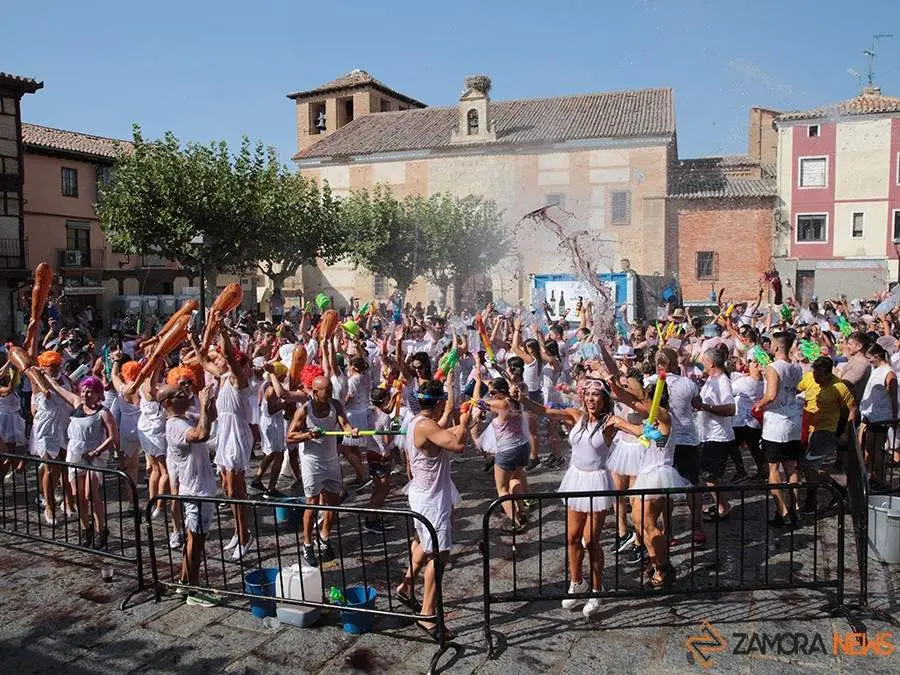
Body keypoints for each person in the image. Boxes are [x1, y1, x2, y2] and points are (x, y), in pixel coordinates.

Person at [522, 377, 616, 617]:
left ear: (604, 398)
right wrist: (521, 399)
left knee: (591, 540)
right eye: (588, 395)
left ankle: (597, 590)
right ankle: (577, 582)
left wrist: (650, 432)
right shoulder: (575, 415)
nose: (591, 399)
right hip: (576, 479)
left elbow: (635, 428)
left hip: (597, 482)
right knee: (573, 538)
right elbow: (544, 410)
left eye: (597, 395)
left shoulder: (610, 423)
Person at [394, 379, 469, 640]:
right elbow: (458, 445)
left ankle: (405, 587)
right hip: (430, 499)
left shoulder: (417, 421)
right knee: (439, 555)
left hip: (423, 493)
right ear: (437, 403)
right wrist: (466, 420)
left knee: (420, 543)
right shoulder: (425, 425)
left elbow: (447, 434)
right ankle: (427, 616)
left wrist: (468, 420)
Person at [286, 370, 358, 567]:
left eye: (330, 390)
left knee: (332, 504)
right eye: (326, 391)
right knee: (312, 504)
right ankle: (307, 544)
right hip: (311, 463)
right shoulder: (304, 410)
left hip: (331, 460)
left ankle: (325, 538)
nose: (330, 394)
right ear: (315, 392)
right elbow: (290, 436)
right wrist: (308, 435)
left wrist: (351, 431)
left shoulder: (335, 404)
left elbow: (344, 423)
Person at [162, 380, 220, 607]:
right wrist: (203, 404)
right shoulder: (175, 425)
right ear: (168, 402)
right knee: (196, 540)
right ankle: (194, 590)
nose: (186, 396)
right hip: (195, 490)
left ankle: (185, 581)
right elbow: (201, 434)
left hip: (201, 487)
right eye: (180, 394)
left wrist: (209, 401)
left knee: (195, 538)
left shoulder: (186, 417)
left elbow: (211, 418)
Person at [46, 375, 119, 549]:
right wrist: (44, 375)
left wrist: (96, 452)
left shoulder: (103, 412)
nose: (86, 394)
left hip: (94, 455)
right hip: (75, 454)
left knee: (91, 494)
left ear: (98, 394)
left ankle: (101, 530)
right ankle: (86, 529)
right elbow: (57, 387)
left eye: (90, 392)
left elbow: (113, 436)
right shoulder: (77, 404)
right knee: (78, 497)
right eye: (84, 391)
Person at [753, 332, 804, 529]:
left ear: (776, 346)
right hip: (793, 421)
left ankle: (782, 510)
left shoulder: (774, 367)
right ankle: (796, 508)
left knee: (773, 468)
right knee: (791, 467)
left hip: (776, 424)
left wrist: (759, 404)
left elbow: (771, 395)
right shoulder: (796, 366)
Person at [797, 356, 857, 512]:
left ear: (828, 373)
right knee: (807, 467)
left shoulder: (839, 386)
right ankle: (837, 488)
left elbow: (852, 409)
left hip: (825, 431)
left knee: (810, 466)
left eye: (819, 376)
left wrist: (846, 431)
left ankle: (812, 499)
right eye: (814, 374)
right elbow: (795, 390)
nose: (815, 378)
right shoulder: (809, 377)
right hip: (806, 428)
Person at [694, 347, 736, 521]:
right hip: (707, 434)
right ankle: (719, 503)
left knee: (710, 476)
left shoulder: (722, 382)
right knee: (708, 475)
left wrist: (704, 407)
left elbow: (731, 408)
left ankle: (723, 507)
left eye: (703, 361)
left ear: (711, 363)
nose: (701, 364)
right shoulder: (712, 378)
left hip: (718, 436)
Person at [858, 342, 898, 487]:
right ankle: (875, 477)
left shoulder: (889, 372)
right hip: (870, 415)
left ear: (877, 356)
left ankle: (881, 480)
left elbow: (893, 397)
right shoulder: (874, 369)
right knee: (869, 449)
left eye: (869, 358)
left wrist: (893, 417)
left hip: (881, 417)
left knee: (876, 451)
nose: (868, 361)